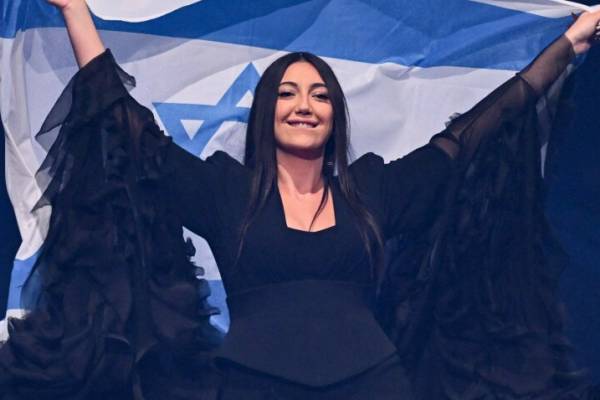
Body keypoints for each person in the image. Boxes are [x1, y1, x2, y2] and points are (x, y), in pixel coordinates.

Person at [1, 0, 599, 399]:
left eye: (319, 94)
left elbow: (474, 134)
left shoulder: (374, 191)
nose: (304, 105)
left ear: (335, 115)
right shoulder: (224, 192)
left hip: (374, 384)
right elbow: (127, 128)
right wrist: (76, 12)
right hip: (249, 385)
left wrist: (567, 47)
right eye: (287, 93)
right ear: (267, 111)